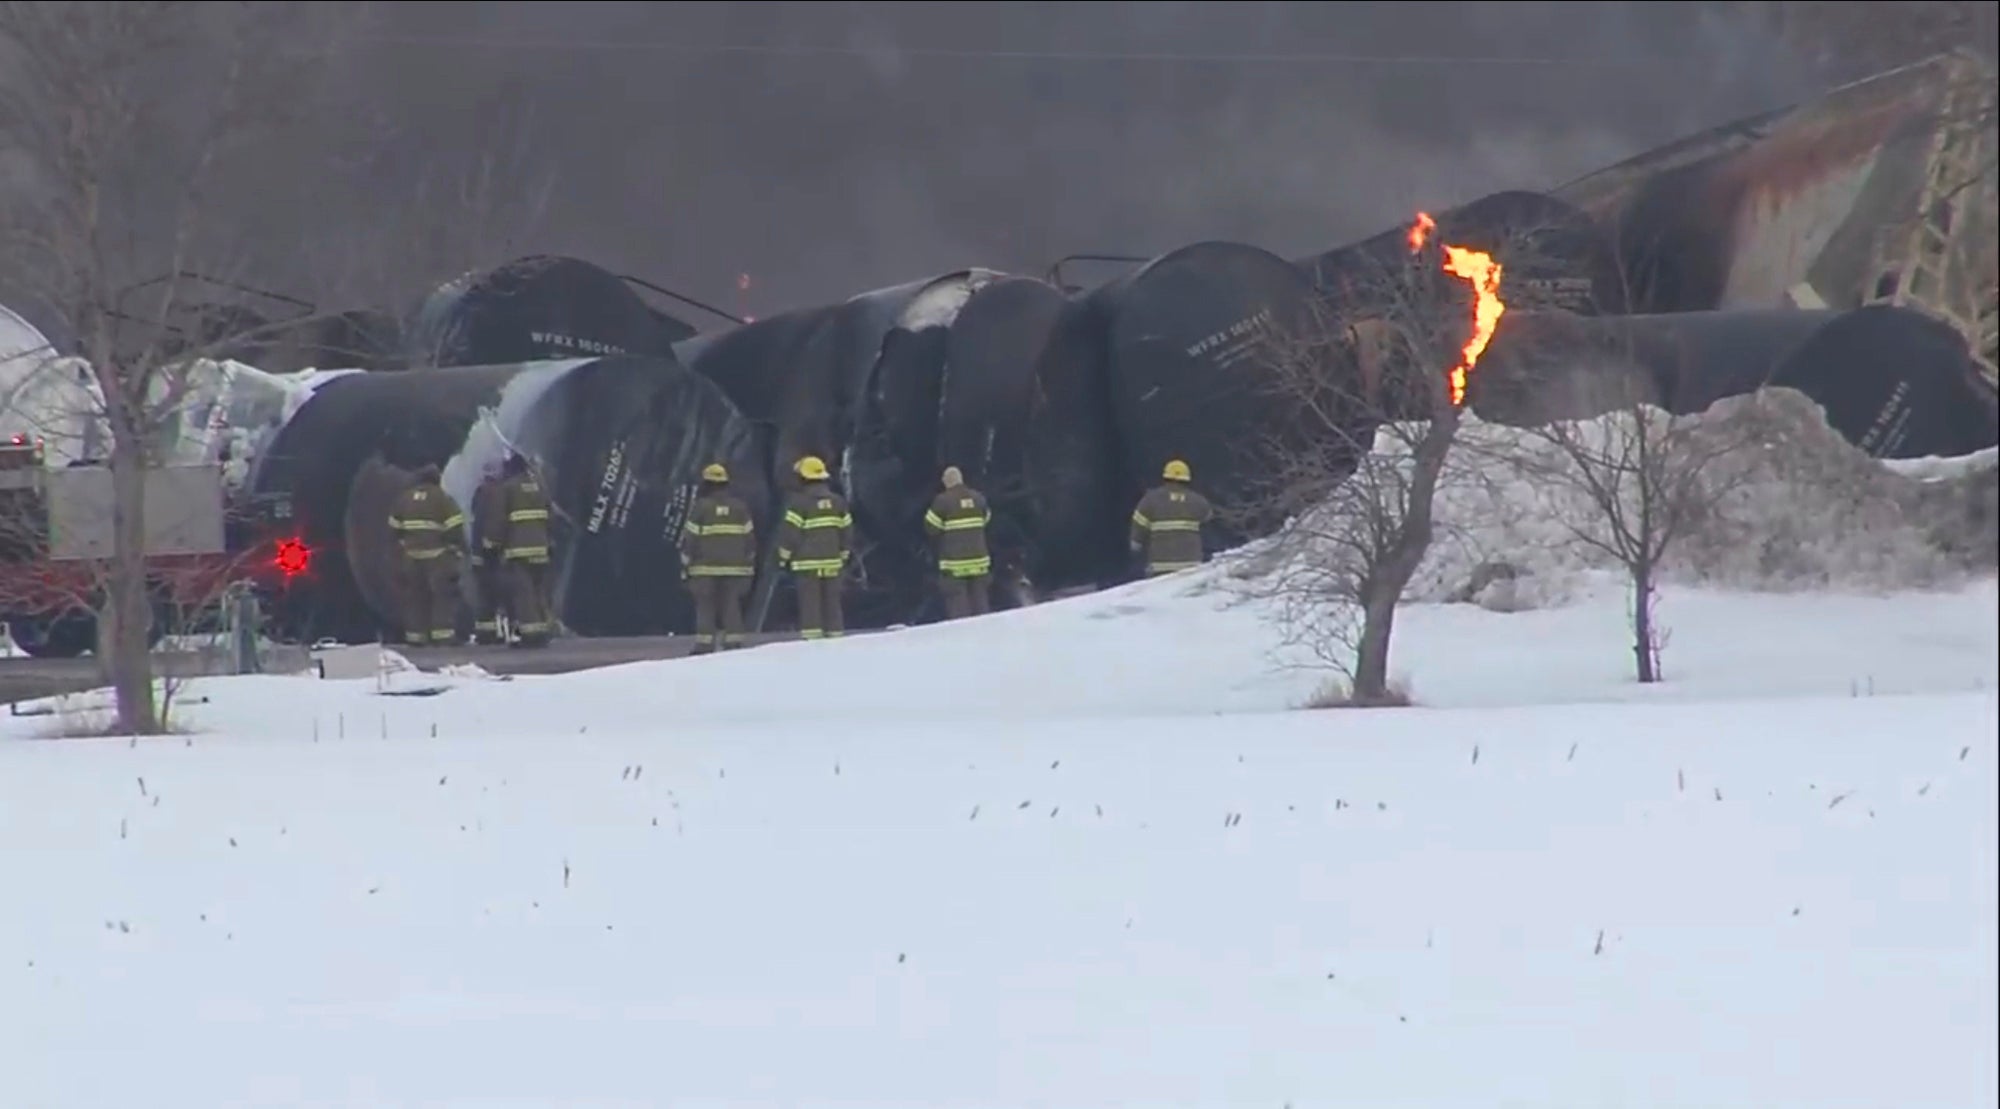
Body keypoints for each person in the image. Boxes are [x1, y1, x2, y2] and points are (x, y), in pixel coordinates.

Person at [678, 461, 758, 654]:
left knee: (705, 606)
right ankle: (734, 642)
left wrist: (685, 565)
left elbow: (690, 539)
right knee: (731, 604)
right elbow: (750, 540)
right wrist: (748, 563)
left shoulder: (701, 508)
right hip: (735, 568)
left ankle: (705, 644)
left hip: (704, 568)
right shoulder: (740, 508)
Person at [774, 454, 853, 641]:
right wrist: (843, 555)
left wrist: (782, 558)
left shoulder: (799, 504)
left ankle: (813, 642)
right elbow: (847, 531)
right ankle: (836, 638)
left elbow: (790, 534)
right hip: (833, 562)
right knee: (832, 604)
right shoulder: (838, 502)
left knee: (810, 604)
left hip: (806, 564)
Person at [386, 465, 467, 647]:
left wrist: (401, 547)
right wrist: (458, 548)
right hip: (437, 557)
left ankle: (416, 637)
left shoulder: (404, 499)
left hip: (411, 557)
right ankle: (443, 636)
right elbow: (455, 527)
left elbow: (393, 528)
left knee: (415, 597)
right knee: (442, 596)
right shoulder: (442, 498)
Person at [496, 452, 555, 647]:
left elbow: (500, 521)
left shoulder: (509, 488)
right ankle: (544, 630)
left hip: (518, 551)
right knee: (539, 591)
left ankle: (531, 636)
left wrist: (494, 545)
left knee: (524, 594)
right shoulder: (539, 485)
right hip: (541, 548)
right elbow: (550, 514)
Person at [923, 465, 993, 620]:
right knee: (980, 600)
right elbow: (986, 519)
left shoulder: (942, 501)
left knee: (958, 604)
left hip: (954, 564)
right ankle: (985, 631)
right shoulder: (978, 498)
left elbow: (931, 528)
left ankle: (962, 636)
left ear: (946, 482)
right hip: (979, 561)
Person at [1130, 458, 1214, 578]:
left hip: (1160, 565)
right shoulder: (1198, 501)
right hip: (1191, 564)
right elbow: (1208, 524)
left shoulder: (1150, 500)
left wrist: (1136, 545)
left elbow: (1138, 529)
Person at [469, 459, 509, 644]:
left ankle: (487, 633)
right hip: (502, 550)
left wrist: (476, 552)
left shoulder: (482, 493)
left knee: (486, 593)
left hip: (485, 552)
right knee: (503, 591)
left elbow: (478, 524)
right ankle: (504, 630)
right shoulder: (505, 491)